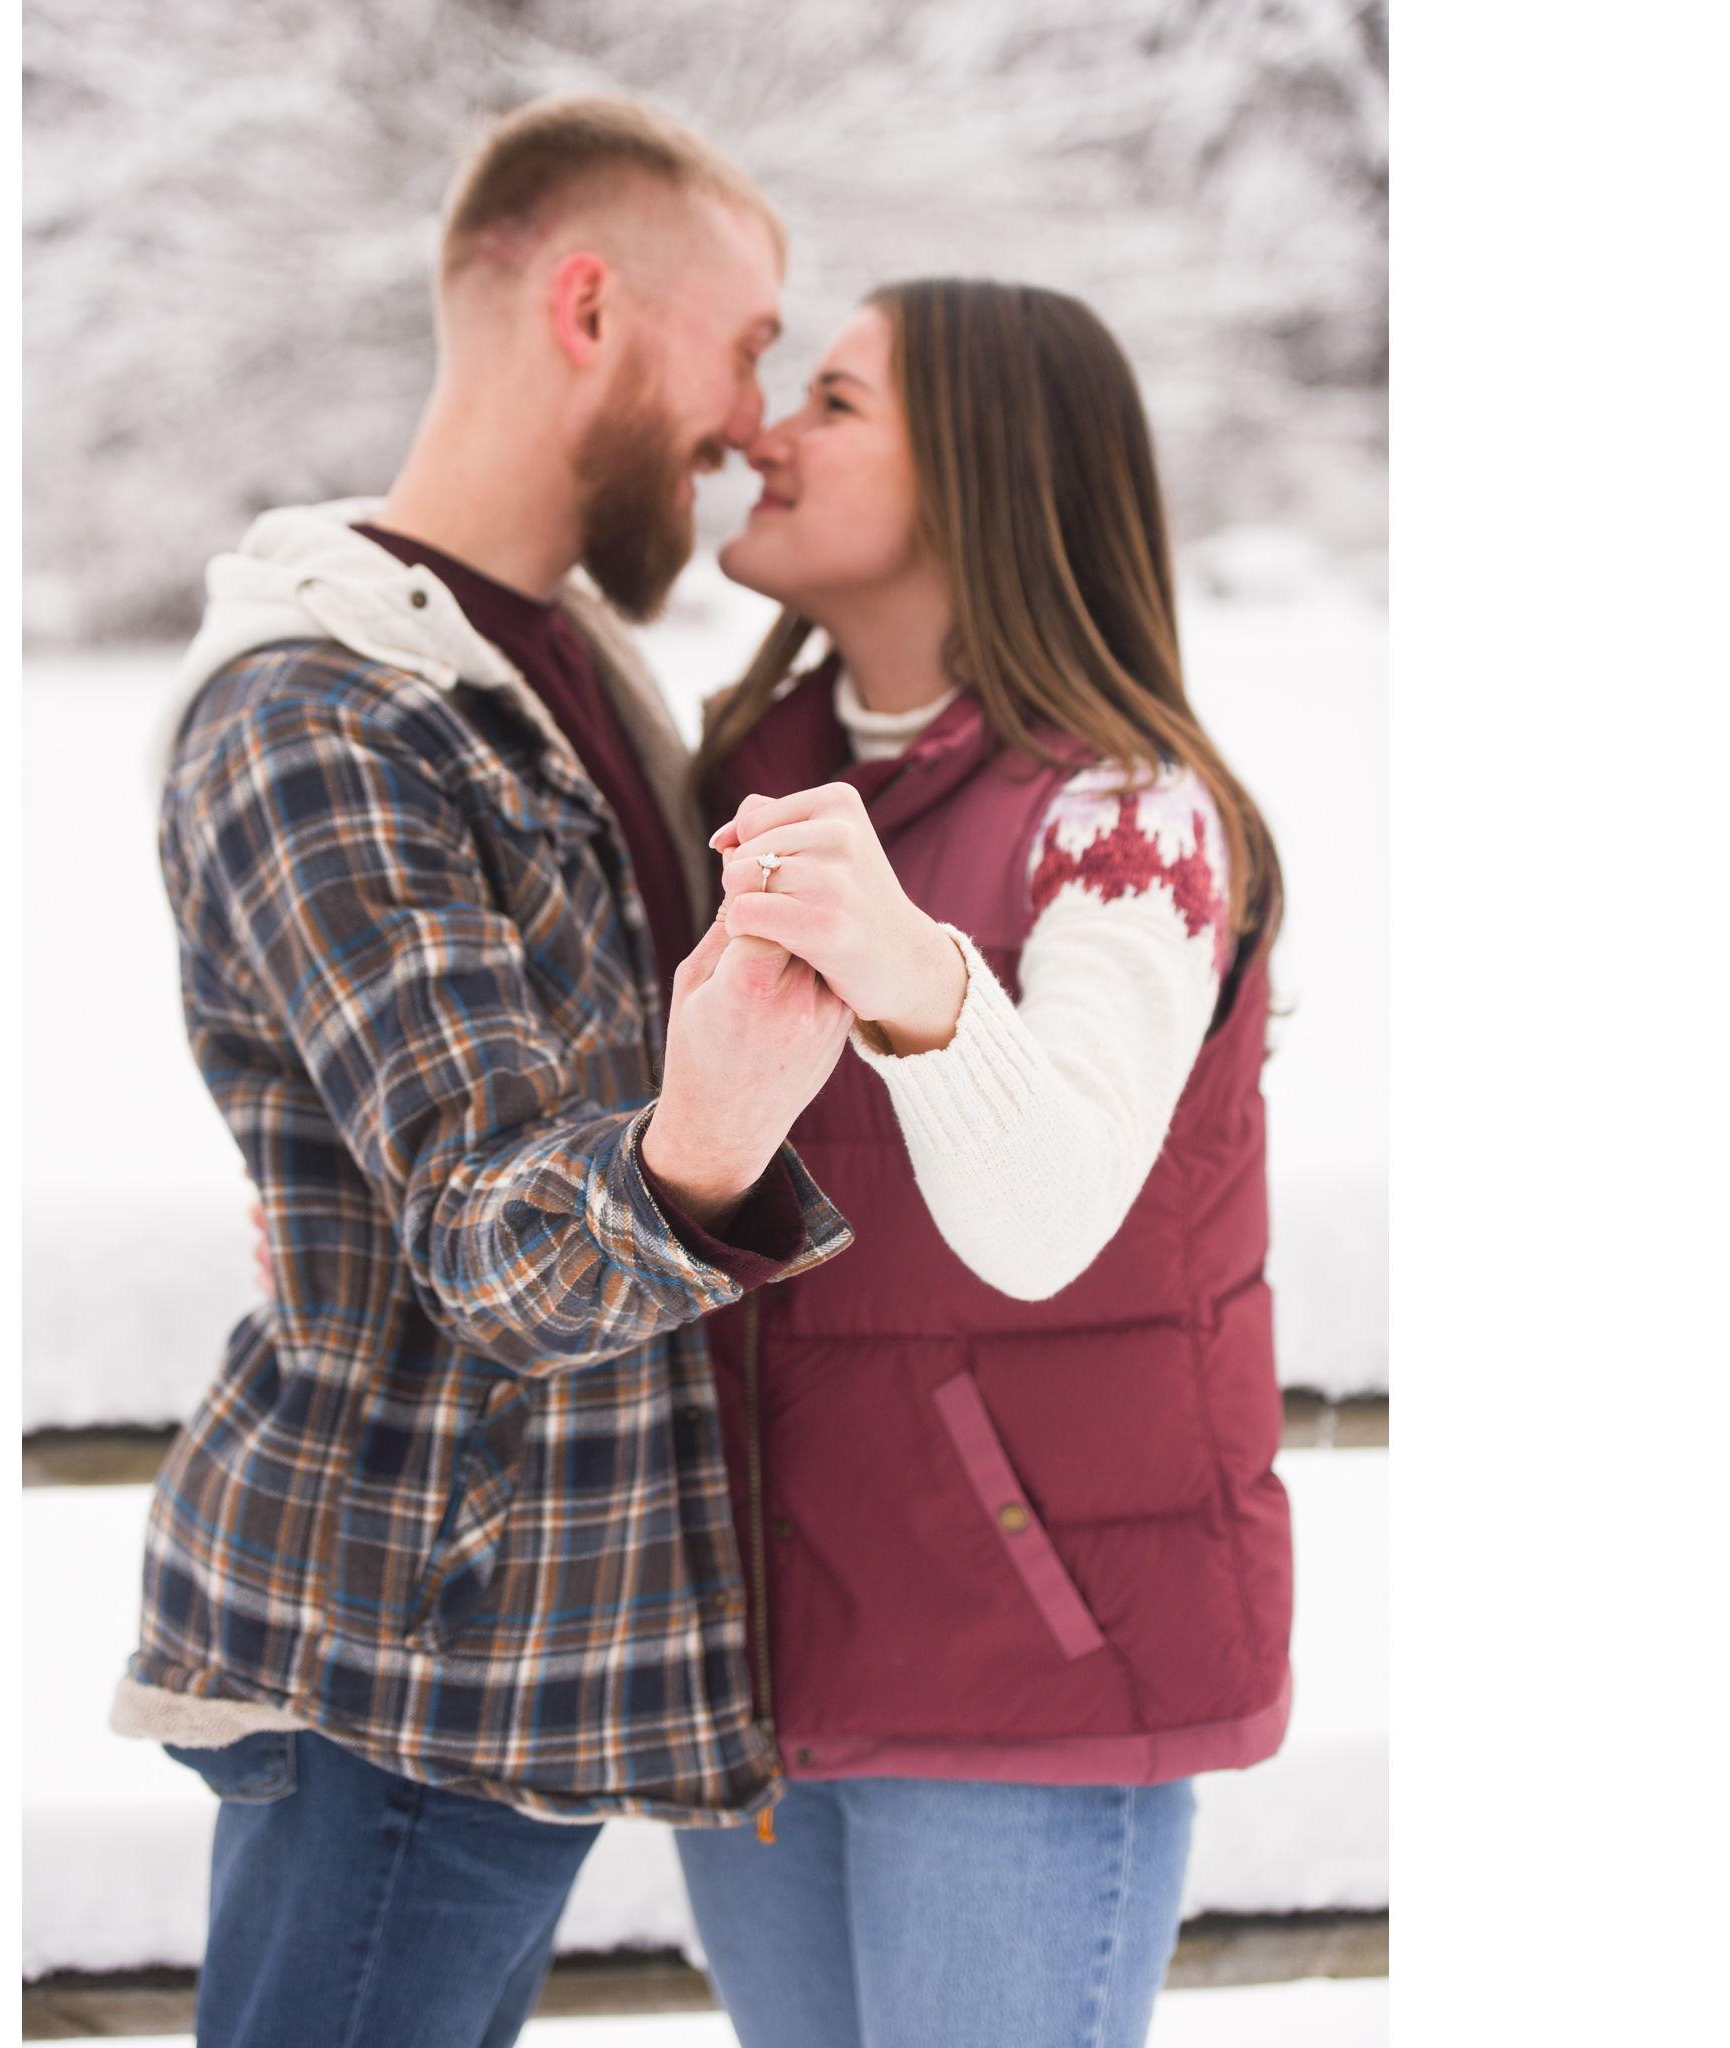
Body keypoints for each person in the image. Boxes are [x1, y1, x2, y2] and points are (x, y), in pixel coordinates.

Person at [108, 96, 858, 2048]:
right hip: (400, 1672)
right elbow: (481, 1232)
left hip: (519, 1660)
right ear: (588, 304)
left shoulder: (559, 667)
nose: (754, 418)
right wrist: (698, 1145)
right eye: (750, 339)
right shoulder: (323, 715)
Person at [665, 281, 1296, 2048]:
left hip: (1030, 1671)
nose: (764, 432)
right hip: (774, 1667)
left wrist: (918, 969)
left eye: (838, 402)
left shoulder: (1130, 816)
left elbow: (1042, 1225)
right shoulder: (745, 773)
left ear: (981, 478)